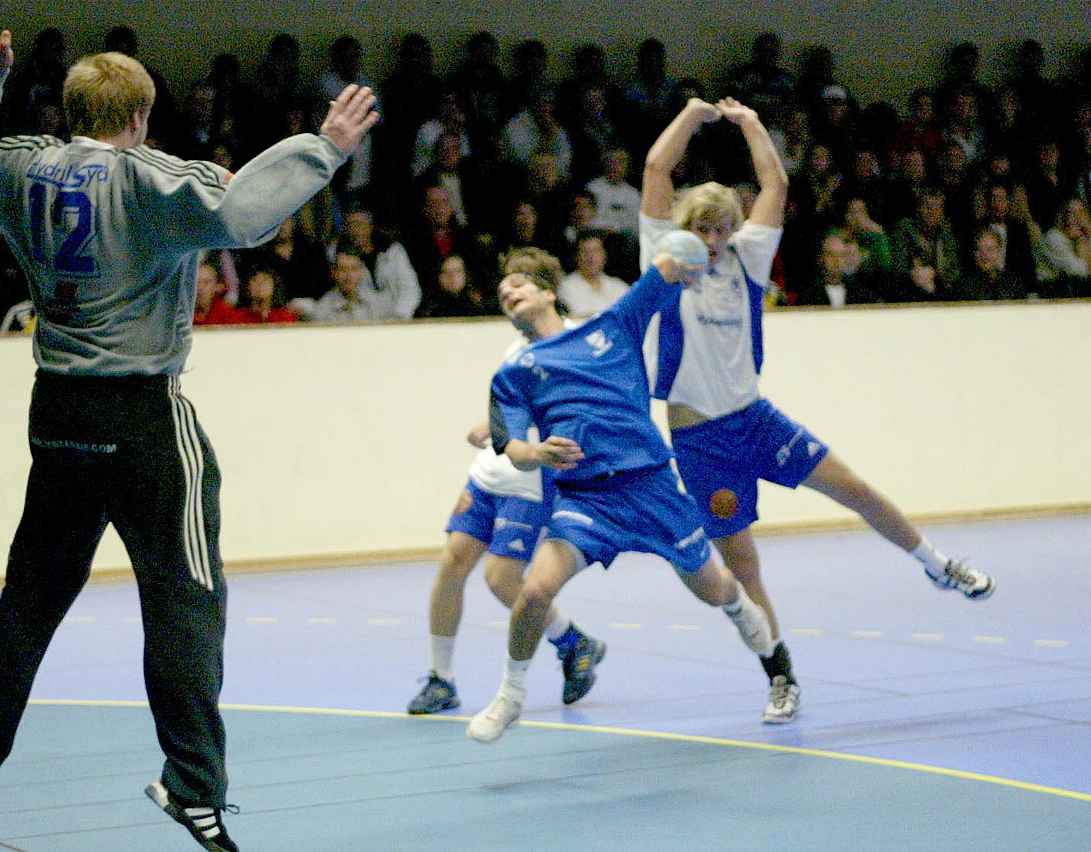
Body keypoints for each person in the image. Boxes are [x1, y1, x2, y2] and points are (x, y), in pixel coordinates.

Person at [0, 0, 377, 852]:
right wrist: (326, 147)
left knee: (37, 586)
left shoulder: (23, 169)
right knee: (184, 596)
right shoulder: (157, 179)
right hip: (139, 412)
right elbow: (247, 213)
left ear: (69, 112)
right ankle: (192, 782)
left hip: (55, 408)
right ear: (138, 117)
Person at [637, 97, 995, 722]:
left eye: (725, 228)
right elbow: (655, 168)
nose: (716, 240)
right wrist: (694, 117)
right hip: (698, 440)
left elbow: (775, 181)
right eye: (706, 228)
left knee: (850, 486)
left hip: (755, 419)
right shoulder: (664, 258)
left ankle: (937, 566)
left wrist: (750, 123)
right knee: (742, 562)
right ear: (686, 229)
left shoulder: (747, 260)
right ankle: (781, 677)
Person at [466, 246, 776, 743]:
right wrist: (539, 451)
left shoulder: (612, 325)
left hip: (652, 487)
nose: (509, 292)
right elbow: (514, 449)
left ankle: (740, 610)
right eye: (503, 294)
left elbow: (665, 269)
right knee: (534, 590)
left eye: (519, 285)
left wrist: (689, 250)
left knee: (711, 589)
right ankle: (510, 696)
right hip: (587, 501)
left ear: (550, 293)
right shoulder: (515, 373)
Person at [409, 400, 604, 716]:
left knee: (501, 578)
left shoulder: (564, 356)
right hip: (486, 477)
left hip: (528, 486)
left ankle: (572, 641)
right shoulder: (517, 352)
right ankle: (441, 679)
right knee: (452, 562)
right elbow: (511, 398)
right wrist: (492, 425)